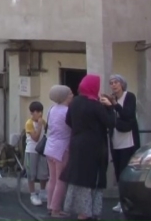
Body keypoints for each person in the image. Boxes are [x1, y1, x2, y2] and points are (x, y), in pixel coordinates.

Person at [61, 75, 116, 220]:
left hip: (77, 144)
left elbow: (68, 121)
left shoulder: (75, 102)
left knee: (79, 178)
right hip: (95, 147)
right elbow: (110, 123)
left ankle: (81, 212)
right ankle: (89, 211)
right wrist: (110, 108)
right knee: (93, 179)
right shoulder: (96, 106)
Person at [108, 74, 140, 213]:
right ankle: (121, 201)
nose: (114, 85)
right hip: (115, 138)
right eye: (111, 83)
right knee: (118, 172)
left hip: (128, 139)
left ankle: (129, 202)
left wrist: (115, 105)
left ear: (122, 84)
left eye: (116, 82)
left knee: (126, 171)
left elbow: (128, 114)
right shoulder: (111, 99)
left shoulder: (129, 97)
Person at [43, 85, 73, 218]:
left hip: (50, 147)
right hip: (62, 148)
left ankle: (50, 205)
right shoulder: (68, 111)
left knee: (52, 178)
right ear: (65, 96)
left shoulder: (51, 109)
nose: (72, 95)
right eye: (70, 93)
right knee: (61, 180)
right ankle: (56, 209)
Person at [24, 101, 49, 207]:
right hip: (31, 151)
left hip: (42, 151)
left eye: (40, 111)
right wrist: (38, 126)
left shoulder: (43, 122)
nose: (39, 114)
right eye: (37, 112)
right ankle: (33, 194)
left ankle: (43, 192)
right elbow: (35, 138)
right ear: (32, 113)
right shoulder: (29, 123)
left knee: (43, 173)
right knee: (31, 174)